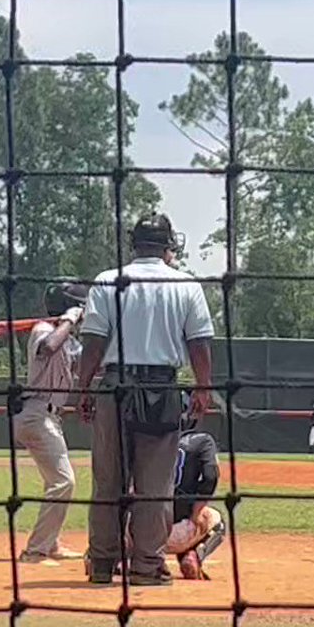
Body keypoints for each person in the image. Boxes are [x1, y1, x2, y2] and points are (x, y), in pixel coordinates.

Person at [77, 214, 215, 587]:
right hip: (163, 388)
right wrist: (203, 388)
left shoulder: (108, 280)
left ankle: (103, 563)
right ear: (168, 244)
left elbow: (93, 343)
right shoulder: (187, 285)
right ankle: (146, 566)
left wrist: (83, 388)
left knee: (108, 481)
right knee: (155, 486)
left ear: (133, 243)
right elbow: (199, 343)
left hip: (115, 385)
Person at [15, 282, 87, 564]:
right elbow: (48, 348)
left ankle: (51, 542)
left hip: (50, 416)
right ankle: (35, 551)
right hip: (36, 413)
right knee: (63, 481)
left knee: (54, 481)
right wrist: (70, 318)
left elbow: (87, 363)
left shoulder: (69, 340)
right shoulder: (43, 330)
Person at [168, 395, 226, 580]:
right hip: (179, 531)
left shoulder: (148, 442)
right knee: (217, 520)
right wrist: (196, 512)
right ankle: (193, 555)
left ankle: (114, 559)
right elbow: (210, 478)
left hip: (140, 533)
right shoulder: (202, 441)